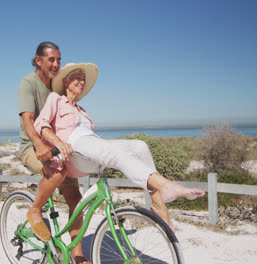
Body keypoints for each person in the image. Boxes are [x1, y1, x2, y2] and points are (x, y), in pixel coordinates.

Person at [28, 63, 205, 238]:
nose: (81, 81)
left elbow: (89, 138)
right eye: (77, 78)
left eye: (83, 79)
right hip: (72, 149)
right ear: (66, 82)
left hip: (88, 148)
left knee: (140, 146)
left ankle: (158, 204)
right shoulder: (55, 99)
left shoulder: (82, 111)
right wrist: (58, 142)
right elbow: (40, 125)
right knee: (108, 151)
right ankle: (164, 184)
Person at [18, 42, 89, 264]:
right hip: (31, 146)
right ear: (38, 60)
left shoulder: (58, 87)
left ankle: (78, 256)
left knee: (76, 200)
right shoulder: (28, 83)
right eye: (51, 60)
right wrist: (39, 146)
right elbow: (29, 120)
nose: (56, 64)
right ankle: (35, 211)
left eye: (59, 59)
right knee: (56, 173)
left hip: (58, 148)